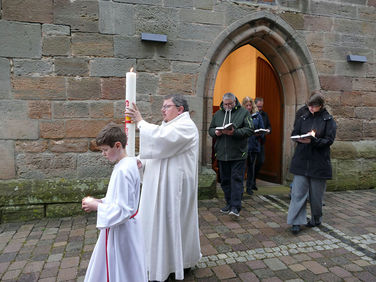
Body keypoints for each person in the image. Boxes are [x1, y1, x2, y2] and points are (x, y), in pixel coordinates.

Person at [125, 94, 201, 281]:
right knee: (158, 223)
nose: (162, 109)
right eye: (163, 106)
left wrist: (141, 122)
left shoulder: (186, 126)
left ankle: (179, 263)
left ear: (180, 109)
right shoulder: (169, 125)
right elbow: (158, 152)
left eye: (167, 106)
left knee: (173, 222)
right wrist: (141, 162)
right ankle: (159, 263)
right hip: (161, 185)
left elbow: (162, 140)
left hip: (175, 188)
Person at [82, 123, 147, 282]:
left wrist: (97, 206)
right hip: (127, 227)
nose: (103, 154)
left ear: (118, 145)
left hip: (122, 231)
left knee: (121, 267)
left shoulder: (123, 171)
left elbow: (123, 209)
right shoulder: (128, 163)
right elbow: (119, 197)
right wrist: (101, 201)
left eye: (105, 150)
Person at [287, 93, 336, 234]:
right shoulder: (303, 117)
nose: (310, 108)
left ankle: (316, 217)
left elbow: (329, 140)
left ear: (320, 106)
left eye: (313, 106)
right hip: (302, 160)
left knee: (316, 197)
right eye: (309, 105)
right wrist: (299, 138)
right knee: (298, 194)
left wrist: (314, 141)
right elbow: (295, 132)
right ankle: (296, 222)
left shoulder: (328, 120)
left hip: (319, 163)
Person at [209, 93, 253, 217]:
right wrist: (216, 132)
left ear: (235, 102)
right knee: (225, 181)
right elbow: (210, 129)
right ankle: (228, 203)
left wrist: (235, 132)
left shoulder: (243, 112)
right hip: (222, 153)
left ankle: (235, 207)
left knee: (236, 180)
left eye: (230, 104)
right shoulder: (218, 114)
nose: (227, 106)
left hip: (238, 153)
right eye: (225, 104)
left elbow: (250, 129)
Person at [242, 97, 265, 195]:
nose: (248, 107)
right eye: (246, 105)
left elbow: (262, 128)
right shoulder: (241, 115)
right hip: (243, 145)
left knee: (251, 167)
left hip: (254, 145)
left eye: (250, 105)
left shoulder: (257, 116)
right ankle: (239, 188)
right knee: (242, 168)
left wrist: (260, 133)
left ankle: (249, 187)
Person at [254, 97, 271, 190]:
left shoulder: (265, 115)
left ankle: (254, 178)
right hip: (253, 141)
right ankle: (251, 182)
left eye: (261, 107)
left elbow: (269, 125)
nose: (260, 109)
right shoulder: (252, 114)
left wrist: (268, 130)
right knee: (251, 163)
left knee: (261, 161)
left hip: (261, 142)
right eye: (258, 106)